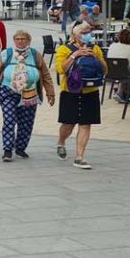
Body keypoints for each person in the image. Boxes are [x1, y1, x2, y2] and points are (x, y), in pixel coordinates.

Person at [0, 30, 55, 162]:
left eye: (23, 39)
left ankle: (20, 148)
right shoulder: (7, 54)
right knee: (9, 119)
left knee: (26, 122)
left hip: (29, 93)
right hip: (8, 92)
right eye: (17, 39)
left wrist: (50, 93)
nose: (20, 41)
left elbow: (45, 75)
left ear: (29, 41)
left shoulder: (35, 55)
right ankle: (7, 149)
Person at [55, 21, 107, 170]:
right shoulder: (64, 49)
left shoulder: (95, 48)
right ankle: (61, 141)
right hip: (70, 91)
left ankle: (79, 157)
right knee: (68, 124)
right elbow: (60, 69)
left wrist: (96, 59)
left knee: (85, 124)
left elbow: (105, 70)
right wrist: (74, 55)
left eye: (88, 31)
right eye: (83, 32)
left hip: (90, 91)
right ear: (74, 33)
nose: (87, 34)